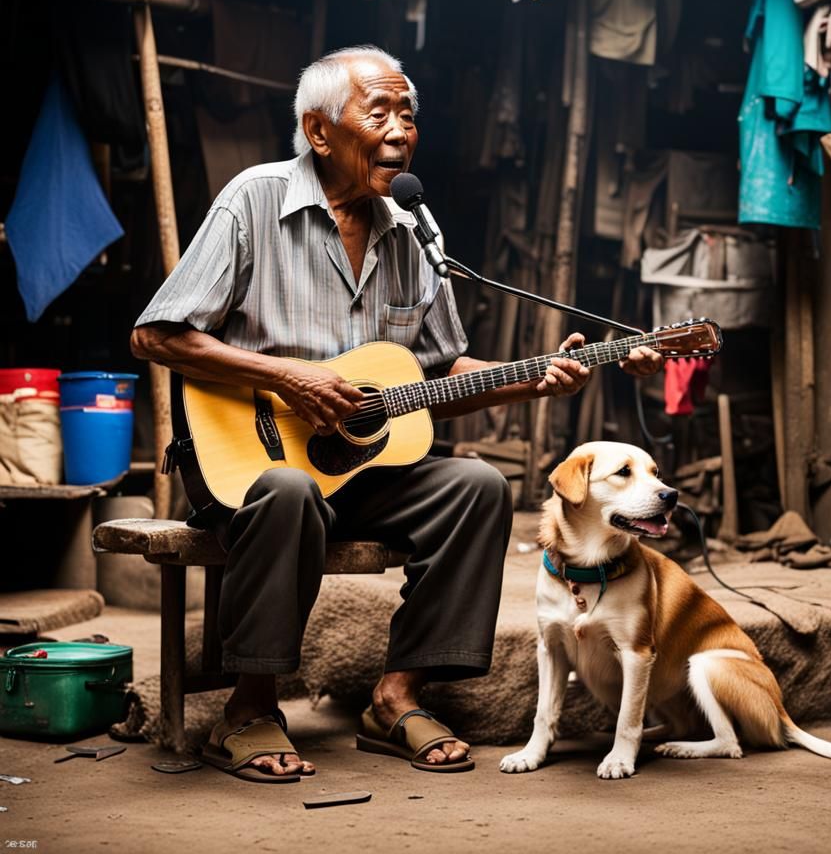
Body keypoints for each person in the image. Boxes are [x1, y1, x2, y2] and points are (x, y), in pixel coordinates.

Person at [130, 45, 664, 780]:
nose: (399, 130)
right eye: (377, 111)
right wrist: (287, 377)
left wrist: (537, 380)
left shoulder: (411, 229)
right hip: (249, 469)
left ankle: (396, 696)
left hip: (359, 470)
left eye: (407, 114)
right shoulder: (254, 201)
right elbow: (155, 335)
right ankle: (249, 710)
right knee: (289, 491)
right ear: (319, 131)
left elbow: (441, 373)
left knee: (476, 486)